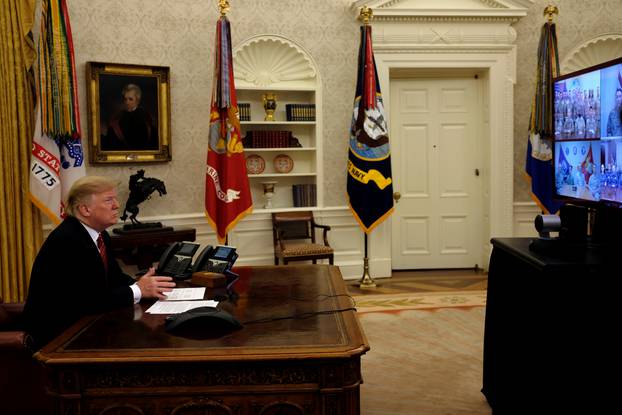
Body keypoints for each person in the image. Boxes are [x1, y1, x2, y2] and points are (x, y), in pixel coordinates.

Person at [23, 176, 175, 349]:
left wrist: (148, 285)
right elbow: (88, 300)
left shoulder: (100, 235)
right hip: (59, 339)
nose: (117, 205)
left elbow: (114, 278)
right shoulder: (68, 240)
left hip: (86, 327)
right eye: (109, 200)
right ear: (85, 209)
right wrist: (138, 290)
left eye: (115, 199)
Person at [102, 83, 158, 151]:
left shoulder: (146, 117)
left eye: (130, 99)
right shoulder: (117, 117)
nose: (127, 102)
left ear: (137, 100)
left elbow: (153, 140)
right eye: (125, 99)